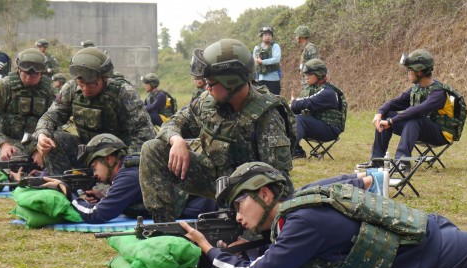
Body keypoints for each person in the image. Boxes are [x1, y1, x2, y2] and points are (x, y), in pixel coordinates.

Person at [181, 162, 467, 268]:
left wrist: (209, 252)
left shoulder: (302, 224)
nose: (237, 215)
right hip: (430, 242)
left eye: (240, 204)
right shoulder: (298, 207)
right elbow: (344, 181)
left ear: (265, 194)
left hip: (435, 253)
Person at [139, 38, 295, 223]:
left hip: (249, 190)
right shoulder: (207, 102)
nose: (207, 88)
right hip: (213, 177)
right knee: (152, 149)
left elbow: (278, 181)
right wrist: (176, 140)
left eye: (212, 84)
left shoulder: (267, 115)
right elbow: (173, 123)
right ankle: (163, 226)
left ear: (232, 82)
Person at [42, 133, 217, 223]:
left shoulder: (129, 176)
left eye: (95, 166)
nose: (94, 174)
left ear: (109, 159)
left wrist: (68, 194)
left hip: (206, 210)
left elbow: (97, 215)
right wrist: (105, 198)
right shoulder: (130, 169)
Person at [34, 47, 154, 175]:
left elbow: (145, 136)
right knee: (52, 138)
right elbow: (50, 116)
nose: (86, 89)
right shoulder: (71, 88)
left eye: (91, 84)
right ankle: (61, 185)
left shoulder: (124, 93)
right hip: (87, 152)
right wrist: (42, 135)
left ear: (104, 78)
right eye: (81, 83)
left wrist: (124, 166)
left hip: (115, 158)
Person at [358, 49, 456, 175]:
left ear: (419, 71)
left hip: (441, 134)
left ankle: (402, 162)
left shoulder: (438, 93)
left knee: (415, 118)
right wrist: (380, 114)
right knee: (388, 113)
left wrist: (391, 121)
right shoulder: (416, 89)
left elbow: (418, 110)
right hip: (420, 128)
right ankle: (377, 160)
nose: (407, 73)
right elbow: (394, 103)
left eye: (409, 70)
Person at [0, 48, 55, 161]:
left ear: (42, 72)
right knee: (2, 163)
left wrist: (39, 147)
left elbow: (56, 120)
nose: (29, 76)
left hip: (36, 139)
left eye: (34, 74)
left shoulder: (48, 89)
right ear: (19, 69)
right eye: (25, 72)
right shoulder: (5, 85)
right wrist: (2, 143)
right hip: (7, 139)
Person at [289, 59, 346, 159]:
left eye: (309, 74)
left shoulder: (327, 92)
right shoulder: (314, 89)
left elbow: (307, 102)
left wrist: (294, 103)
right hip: (319, 125)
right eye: (305, 74)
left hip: (330, 130)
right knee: (290, 118)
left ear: (319, 74)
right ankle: (296, 151)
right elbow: (298, 106)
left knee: (300, 120)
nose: (306, 77)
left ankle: (289, 151)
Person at [253, 26, 282, 95]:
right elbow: (254, 63)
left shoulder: (275, 46)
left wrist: (262, 62)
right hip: (260, 80)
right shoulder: (257, 48)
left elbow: (276, 59)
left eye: (269, 35)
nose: (268, 36)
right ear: (261, 36)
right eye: (265, 35)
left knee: (275, 100)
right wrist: (254, 77)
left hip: (273, 80)